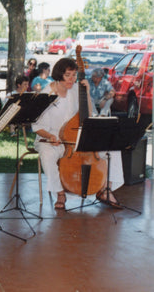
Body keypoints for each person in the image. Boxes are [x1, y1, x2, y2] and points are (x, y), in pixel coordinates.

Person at [32, 57, 124, 210]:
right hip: (50, 138)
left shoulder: (76, 89)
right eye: (68, 75)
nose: (72, 79)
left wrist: (86, 92)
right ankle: (60, 193)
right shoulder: (47, 93)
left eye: (74, 75)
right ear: (59, 74)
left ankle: (105, 190)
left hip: (77, 138)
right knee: (47, 155)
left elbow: (87, 114)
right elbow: (37, 126)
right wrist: (50, 137)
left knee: (112, 148)